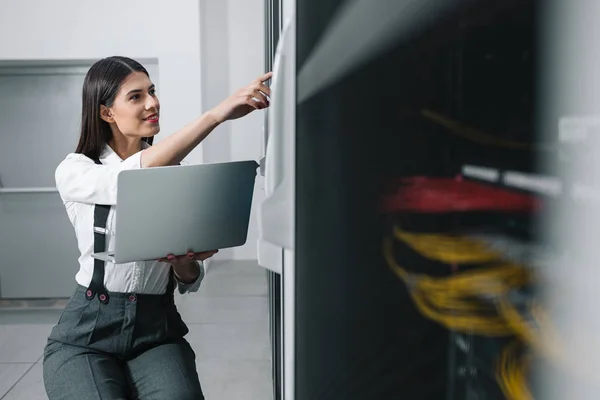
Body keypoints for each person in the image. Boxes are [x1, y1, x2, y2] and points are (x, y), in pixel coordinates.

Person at [42, 56, 272, 400]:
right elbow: (128, 179)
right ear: (107, 112)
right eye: (136, 97)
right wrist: (216, 115)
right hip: (86, 334)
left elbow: (189, 278)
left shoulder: (179, 172)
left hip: (156, 330)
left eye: (152, 91)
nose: (152, 103)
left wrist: (183, 262)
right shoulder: (76, 170)